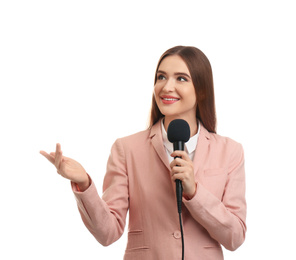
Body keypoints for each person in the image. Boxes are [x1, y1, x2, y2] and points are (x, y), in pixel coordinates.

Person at [40, 46, 247, 259]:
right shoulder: (127, 149)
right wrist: (84, 184)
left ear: (202, 89)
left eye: (181, 79)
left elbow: (235, 237)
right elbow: (108, 233)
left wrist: (194, 191)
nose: (167, 87)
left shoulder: (230, 151)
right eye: (161, 77)